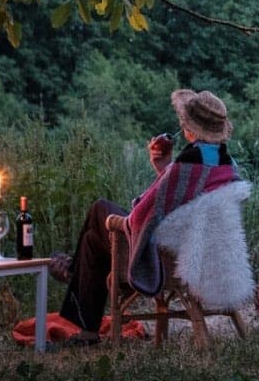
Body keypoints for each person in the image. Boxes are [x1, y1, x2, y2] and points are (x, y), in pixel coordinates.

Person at [51, 88, 240, 343]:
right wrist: (163, 168)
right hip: (203, 249)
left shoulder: (187, 165)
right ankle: (86, 326)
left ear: (188, 127)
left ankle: (76, 284)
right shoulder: (225, 164)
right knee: (93, 242)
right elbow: (177, 203)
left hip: (166, 256)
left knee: (100, 210)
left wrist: (125, 220)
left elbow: (144, 214)